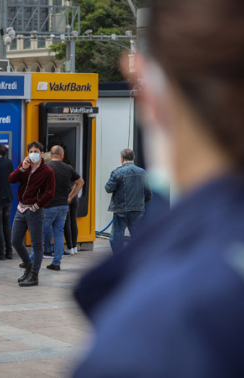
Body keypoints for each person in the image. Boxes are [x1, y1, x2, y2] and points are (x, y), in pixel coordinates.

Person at [72, 0, 244, 376]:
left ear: (147, 91)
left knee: (119, 236)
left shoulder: (157, 329)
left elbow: (107, 186)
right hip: (139, 211)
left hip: (121, 211)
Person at [8, 141, 55, 287]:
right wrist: (22, 168)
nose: (33, 153)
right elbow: (11, 179)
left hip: (34, 210)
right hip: (21, 208)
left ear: (41, 153)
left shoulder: (47, 171)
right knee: (15, 240)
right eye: (31, 151)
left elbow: (50, 193)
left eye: (36, 151)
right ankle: (28, 266)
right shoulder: (25, 166)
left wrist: (37, 205)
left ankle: (34, 275)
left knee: (36, 244)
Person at [42, 146, 84, 271]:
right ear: (62, 155)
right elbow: (81, 182)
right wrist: (70, 196)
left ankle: (32, 260)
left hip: (48, 206)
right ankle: (56, 262)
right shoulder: (68, 168)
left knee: (40, 233)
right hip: (63, 206)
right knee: (59, 233)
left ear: (50, 154)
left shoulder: (46, 167)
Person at [104, 148, 152, 254]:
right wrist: (142, 204)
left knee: (116, 237)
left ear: (122, 158)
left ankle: (119, 259)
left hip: (121, 209)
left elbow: (108, 188)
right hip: (137, 210)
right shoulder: (143, 172)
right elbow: (149, 192)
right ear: (133, 158)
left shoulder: (117, 172)